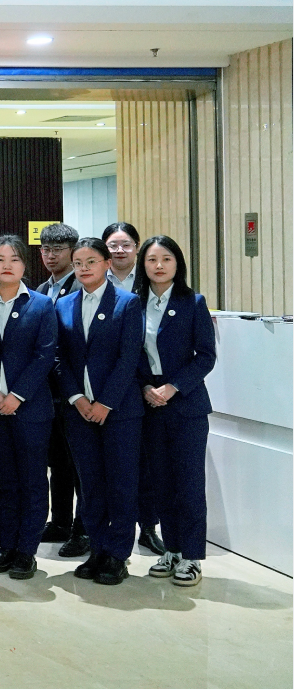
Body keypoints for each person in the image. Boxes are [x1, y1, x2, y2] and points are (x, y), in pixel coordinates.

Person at [54, 237, 145, 586]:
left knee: (121, 483)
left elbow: (129, 357)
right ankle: (97, 549)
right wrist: (77, 398)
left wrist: (105, 403)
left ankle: (117, 555)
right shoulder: (64, 304)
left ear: (107, 264)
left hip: (119, 412)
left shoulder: (127, 302)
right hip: (78, 412)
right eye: (78, 263)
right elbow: (59, 358)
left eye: (91, 261)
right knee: (90, 484)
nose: (84, 268)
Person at [135, 236, 216, 587]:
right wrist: (145, 387)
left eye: (166, 259)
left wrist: (174, 387)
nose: (159, 265)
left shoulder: (192, 302)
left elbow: (206, 356)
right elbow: (131, 353)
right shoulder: (134, 303)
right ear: (143, 265)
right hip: (149, 404)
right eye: (152, 259)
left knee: (189, 483)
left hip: (186, 405)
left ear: (177, 263)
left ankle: (192, 556)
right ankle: (172, 550)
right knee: (161, 482)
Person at [0, 235, 57, 580]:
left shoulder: (41, 304)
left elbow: (45, 355)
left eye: (14, 259)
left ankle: (27, 550)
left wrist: (17, 395)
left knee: (33, 480)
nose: (6, 265)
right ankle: (7, 545)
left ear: (25, 265)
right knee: (5, 481)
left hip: (31, 409)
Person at [102, 220, 163, 556]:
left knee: (147, 463)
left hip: (149, 385)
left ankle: (148, 527)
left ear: (137, 248)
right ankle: (99, 529)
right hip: (109, 386)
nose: (120, 250)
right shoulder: (95, 278)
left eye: (126, 244)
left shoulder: (150, 281)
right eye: (113, 245)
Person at [34, 222, 87, 556]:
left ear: (73, 251)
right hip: (47, 391)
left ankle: (84, 530)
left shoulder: (82, 285)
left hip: (75, 389)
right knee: (58, 461)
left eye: (58, 250)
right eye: (46, 250)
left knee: (80, 464)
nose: (51, 256)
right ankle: (60, 521)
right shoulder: (42, 288)